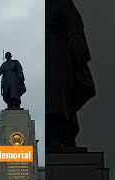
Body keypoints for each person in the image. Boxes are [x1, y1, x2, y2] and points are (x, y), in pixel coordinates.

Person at [46, 0, 96, 153]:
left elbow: (73, 19)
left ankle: (57, 136)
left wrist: (76, 35)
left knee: (56, 96)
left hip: (55, 51)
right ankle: (49, 137)